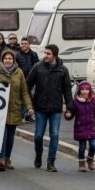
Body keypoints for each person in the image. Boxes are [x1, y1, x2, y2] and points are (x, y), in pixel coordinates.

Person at [27, 44, 73, 172]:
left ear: (55, 55)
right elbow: (28, 84)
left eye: (48, 54)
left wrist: (70, 107)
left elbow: (67, 90)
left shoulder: (63, 70)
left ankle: (51, 162)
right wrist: (30, 102)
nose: (45, 56)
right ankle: (38, 155)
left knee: (55, 135)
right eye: (45, 53)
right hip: (40, 107)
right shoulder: (38, 67)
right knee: (38, 136)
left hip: (55, 108)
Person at [0, 49, 33, 171]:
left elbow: (24, 92)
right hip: (0, 110)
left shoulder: (19, 73)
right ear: (2, 60)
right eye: (6, 58)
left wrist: (29, 107)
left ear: (13, 60)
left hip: (14, 108)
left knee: (10, 137)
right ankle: (1, 160)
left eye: (10, 59)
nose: (8, 60)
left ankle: (7, 158)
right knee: (2, 136)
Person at [64, 81, 95, 172]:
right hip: (80, 127)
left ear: (90, 90)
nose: (84, 91)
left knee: (93, 145)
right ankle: (81, 162)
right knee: (82, 147)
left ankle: (90, 159)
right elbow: (71, 113)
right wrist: (68, 114)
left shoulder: (94, 101)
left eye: (87, 89)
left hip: (92, 127)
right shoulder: (76, 102)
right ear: (79, 91)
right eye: (82, 89)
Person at [16, 37, 40, 122]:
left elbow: (37, 67)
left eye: (25, 44)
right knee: (21, 98)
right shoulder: (16, 55)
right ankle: (22, 115)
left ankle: (28, 115)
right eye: (22, 44)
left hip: (31, 81)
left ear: (29, 45)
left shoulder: (34, 54)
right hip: (20, 80)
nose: (24, 45)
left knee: (30, 98)